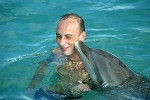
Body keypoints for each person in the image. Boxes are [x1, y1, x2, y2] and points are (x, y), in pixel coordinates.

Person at [27, 13, 94, 99]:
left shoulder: (90, 63)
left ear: (82, 36)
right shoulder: (57, 52)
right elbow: (44, 64)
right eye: (59, 36)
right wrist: (31, 87)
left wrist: (89, 88)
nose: (61, 43)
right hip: (50, 93)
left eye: (68, 37)